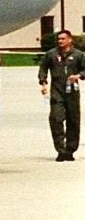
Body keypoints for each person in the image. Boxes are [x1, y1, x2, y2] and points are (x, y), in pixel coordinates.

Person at [38, 30, 85, 162]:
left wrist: (78, 76)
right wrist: (43, 82)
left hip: (72, 93)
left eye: (63, 39)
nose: (60, 41)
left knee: (73, 120)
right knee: (56, 118)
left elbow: (84, 69)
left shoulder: (78, 55)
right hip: (57, 91)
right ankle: (60, 149)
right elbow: (43, 68)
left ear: (70, 40)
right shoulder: (51, 54)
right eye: (58, 39)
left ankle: (70, 149)